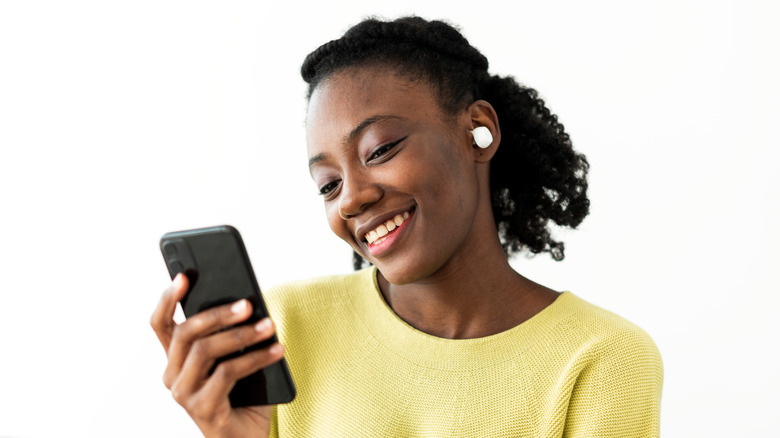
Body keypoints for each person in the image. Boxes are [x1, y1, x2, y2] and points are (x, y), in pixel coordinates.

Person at [151, 16, 663, 437]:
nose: (351, 198)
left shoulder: (601, 361)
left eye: (380, 150)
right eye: (328, 184)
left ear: (477, 131)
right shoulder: (284, 331)